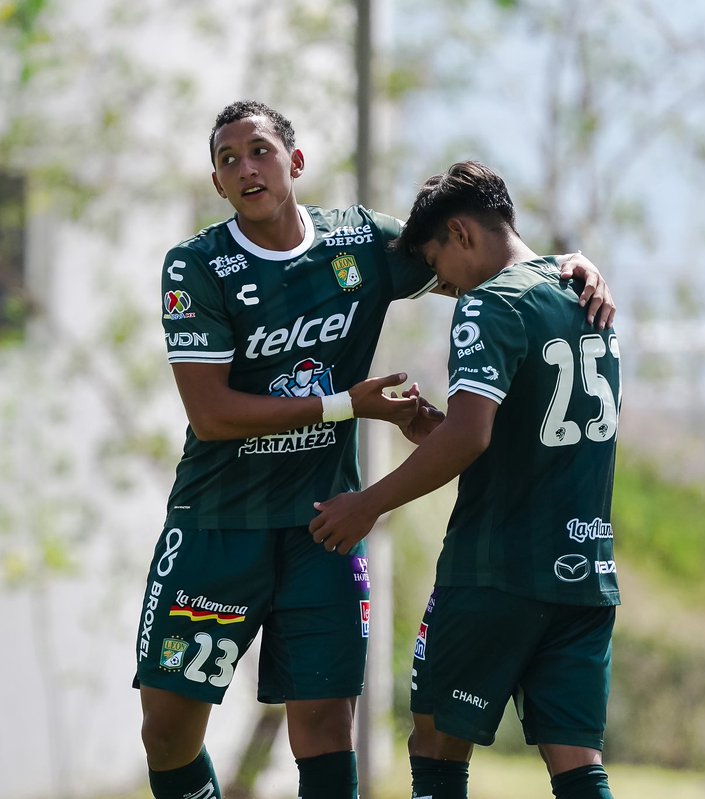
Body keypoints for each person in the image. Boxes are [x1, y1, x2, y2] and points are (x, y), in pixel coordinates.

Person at [135, 103, 616, 799]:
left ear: (294, 164)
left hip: (321, 526)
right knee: (166, 732)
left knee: (328, 725)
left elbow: (473, 250)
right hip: (217, 524)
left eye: (259, 150)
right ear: (217, 183)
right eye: (228, 159)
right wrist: (345, 405)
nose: (246, 167)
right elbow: (210, 416)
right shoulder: (196, 266)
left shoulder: (360, 243)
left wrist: (569, 267)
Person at [308, 160, 622, 799]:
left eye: (435, 264)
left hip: (495, 571)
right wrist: (434, 428)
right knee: (576, 760)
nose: (440, 285)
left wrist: (367, 505)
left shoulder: (490, 302)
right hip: (586, 574)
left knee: (434, 744)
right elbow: (515, 432)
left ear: (461, 233)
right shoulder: (583, 295)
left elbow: (472, 435)